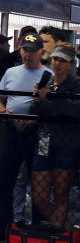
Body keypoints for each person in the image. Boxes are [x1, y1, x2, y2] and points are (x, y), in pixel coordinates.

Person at [0, 33, 53, 238]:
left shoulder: (48, 75)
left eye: (32, 51)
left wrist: (34, 118)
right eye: (25, 50)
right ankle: (4, 231)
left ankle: (37, 233)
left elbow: (51, 107)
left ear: (41, 53)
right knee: (4, 182)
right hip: (12, 130)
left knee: (38, 183)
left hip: (36, 133)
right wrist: (3, 111)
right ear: (20, 51)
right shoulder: (11, 72)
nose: (28, 54)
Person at [30, 45, 80, 229]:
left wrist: (52, 98)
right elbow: (35, 112)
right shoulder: (47, 82)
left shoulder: (76, 85)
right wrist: (39, 99)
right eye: (55, 59)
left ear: (72, 64)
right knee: (39, 195)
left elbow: (74, 111)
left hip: (68, 141)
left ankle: (56, 235)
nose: (57, 63)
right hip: (44, 139)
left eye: (63, 61)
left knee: (61, 191)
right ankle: (59, 228)